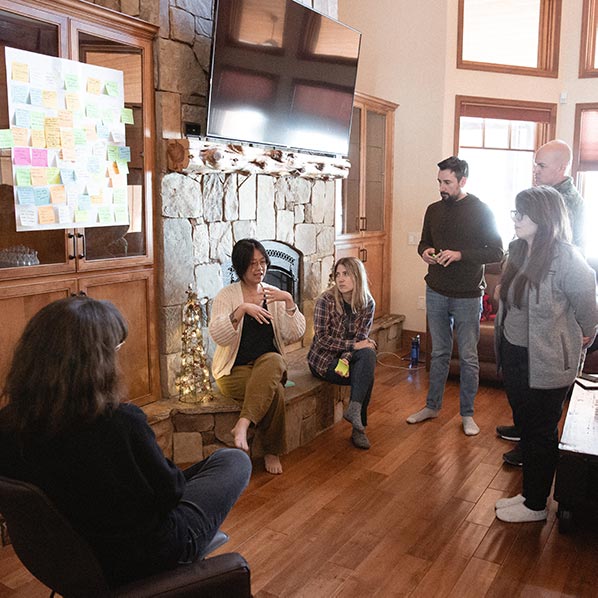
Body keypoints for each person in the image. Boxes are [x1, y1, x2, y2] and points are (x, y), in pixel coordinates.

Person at [0, 296, 251, 586]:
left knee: (205, 467)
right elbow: (170, 493)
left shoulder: (8, 424)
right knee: (233, 460)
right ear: (97, 362)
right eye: (115, 350)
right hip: (145, 558)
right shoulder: (121, 423)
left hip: (66, 563)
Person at [494, 186, 597, 523]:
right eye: (514, 212)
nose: (515, 219)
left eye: (521, 213)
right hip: (514, 353)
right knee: (527, 428)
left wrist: (584, 335)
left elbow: (589, 310)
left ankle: (536, 505)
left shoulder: (567, 257)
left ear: (545, 216)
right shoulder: (518, 251)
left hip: (547, 361)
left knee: (540, 432)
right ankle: (528, 495)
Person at [497, 139, 586, 464]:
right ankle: (525, 432)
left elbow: (577, 277)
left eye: (542, 166)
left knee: (542, 417)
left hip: (548, 327)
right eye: (534, 164)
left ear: (561, 168)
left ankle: (530, 447)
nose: (535, 170)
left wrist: (583, 325)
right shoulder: (523, 240)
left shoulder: (570, 207)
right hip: (522, 330)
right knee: (525, 398)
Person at [407, 156, 504, 435]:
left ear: (463, 181)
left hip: (467, 294)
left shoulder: (482, 210)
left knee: (469, 357)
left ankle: (467, 414)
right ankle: (432, 406)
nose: (442, 188)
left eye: (447, 182)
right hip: (435, 289)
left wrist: (461, 255)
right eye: (439, 182)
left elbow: (496, 251)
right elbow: (425, 242)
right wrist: (424, 252)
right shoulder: (433, 210)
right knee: (438, 352)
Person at [209, 238, 305, 475]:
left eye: (262, 262)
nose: (259, 268)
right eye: (252, 263)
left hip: (267, 365)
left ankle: (242, 424)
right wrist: (241, 311)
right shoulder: (227, 295)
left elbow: (294, 334)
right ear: (241, 266)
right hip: (233, 372)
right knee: (275, 392)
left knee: (273, 360)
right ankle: (272, 450)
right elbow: (219, 336)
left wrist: (290, 302)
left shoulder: (272, 294)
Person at [308, 257, 377, 449]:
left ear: (357, 276)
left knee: (369, 355)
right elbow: (322, 340)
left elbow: (362, 339)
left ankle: (354, 410)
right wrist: (353, 349)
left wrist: (349, 355)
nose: (340, 279)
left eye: (346, 274)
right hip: (323, 359)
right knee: (365, 373)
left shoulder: (367, 303)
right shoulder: (325, 301)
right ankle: (359, 428)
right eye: (337, 274)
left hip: (348, 358)